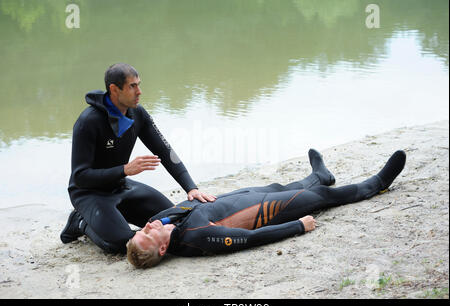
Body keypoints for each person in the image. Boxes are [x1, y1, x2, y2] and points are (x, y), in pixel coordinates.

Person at [126, 149, 406, 269]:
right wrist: (298, 226)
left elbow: (187, 204)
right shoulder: (198, 239)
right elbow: (250, 239)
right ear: (162, 249)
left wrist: (193, 189)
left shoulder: (160, 221)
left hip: (247, 195)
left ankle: (320, 175)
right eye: (148, 233)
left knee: (279, 185)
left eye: (143, 228)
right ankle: (376, 184)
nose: (148, 225)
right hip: (272, 211)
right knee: (321, 197)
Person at [60, 63, 215, 254]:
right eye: (132, 86)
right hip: (89, 193)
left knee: (178, 220)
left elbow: (166, 152)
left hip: (121, 186)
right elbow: (80, 176)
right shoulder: (88, 122)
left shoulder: (138, 114)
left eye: (139, 85)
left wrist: (191, 187)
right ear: (114, 89)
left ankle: (113, 218)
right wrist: (124, 169)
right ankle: (80, 222)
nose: (139, 91)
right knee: (123, 243)